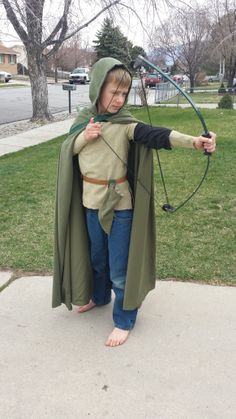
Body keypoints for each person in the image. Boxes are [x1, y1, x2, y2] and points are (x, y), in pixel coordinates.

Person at [52, 57, 216, 347]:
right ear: (98, 88)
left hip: (120, 206)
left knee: (118, 267)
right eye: (114, 92)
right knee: (97, 260)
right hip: (90, 202)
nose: (119, 100)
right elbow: (69, 149)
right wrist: (84, 138)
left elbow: (157, 135)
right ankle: (99, 298)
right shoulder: (83, 121)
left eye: (124, 94)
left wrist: (194, 141)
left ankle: (124, 320)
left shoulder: (126, 124)